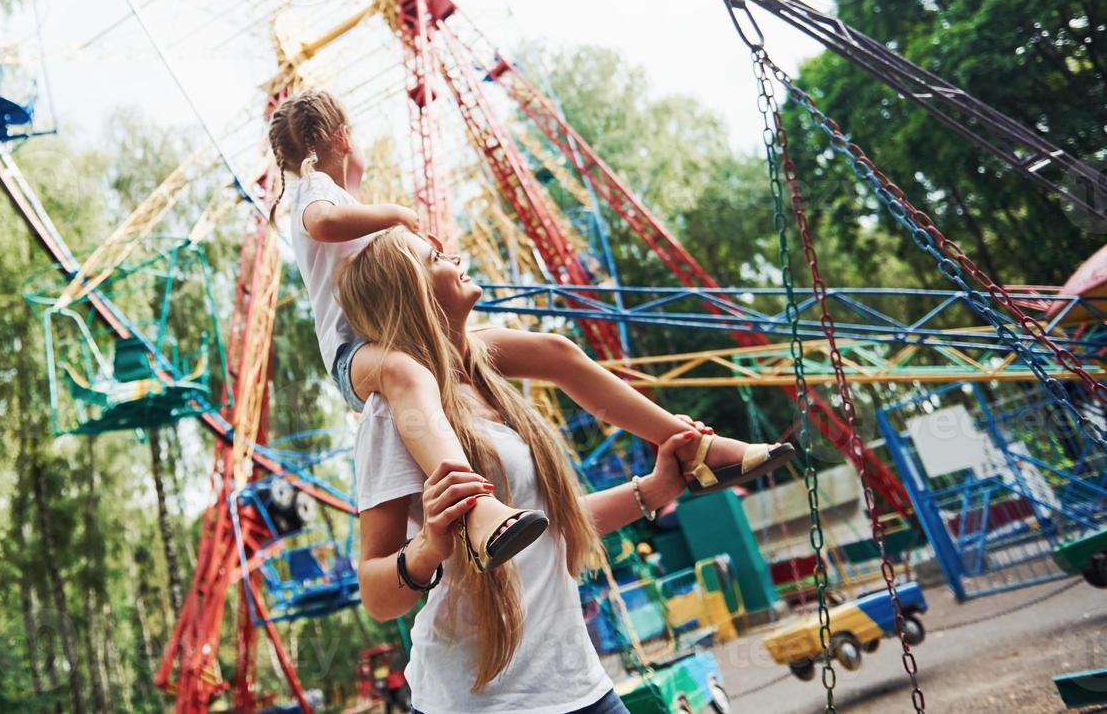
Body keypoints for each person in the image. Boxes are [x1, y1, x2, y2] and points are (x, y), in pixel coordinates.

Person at [268, 90, 793, 572]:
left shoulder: (345, 197)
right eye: (353, 138)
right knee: (405, 374)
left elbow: (352, 222)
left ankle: (688, 444)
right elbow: (322, 225)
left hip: (409, 332)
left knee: (551, 350)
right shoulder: (316, 190)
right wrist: (399, 215)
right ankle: (478, 509)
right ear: (339, 139)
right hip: (357, 354)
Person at [341, 228, 698, 712]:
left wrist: (654, 490)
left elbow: (547, 526)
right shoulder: (393, 417)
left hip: (578, 681)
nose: (456, 256)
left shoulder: (491, 387)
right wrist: (427, 549)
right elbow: (378, 596)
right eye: (436, 258)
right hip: (483, 700)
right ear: (413, 290)